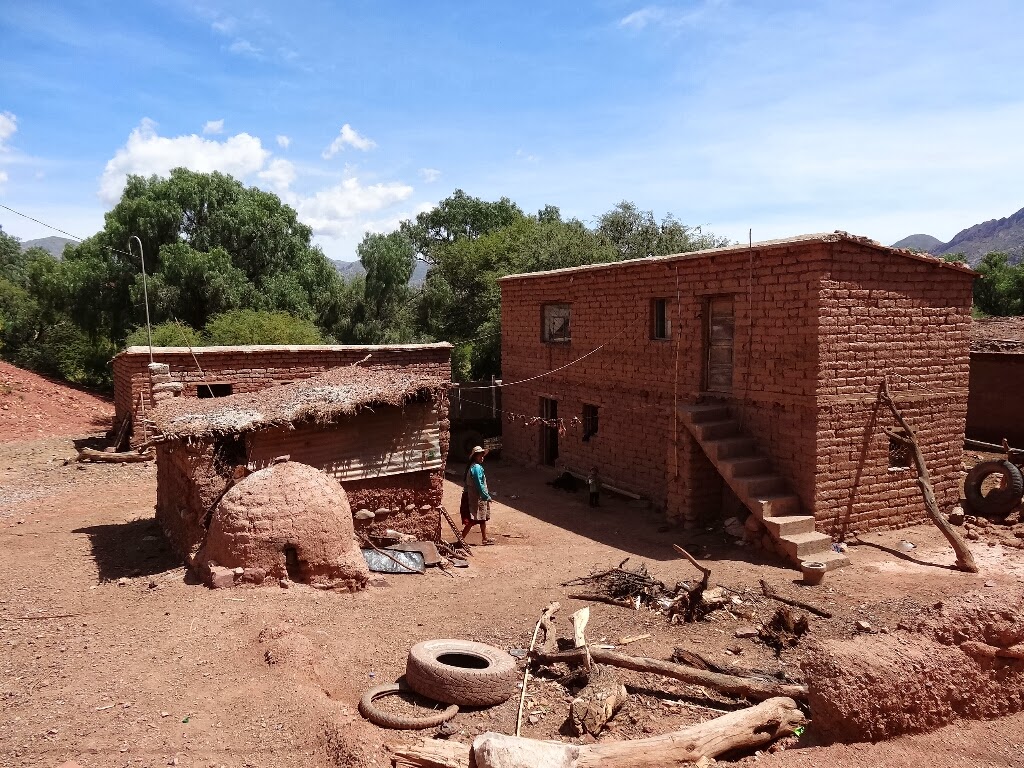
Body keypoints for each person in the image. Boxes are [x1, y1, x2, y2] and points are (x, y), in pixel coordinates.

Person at [461, 445, 495, 545]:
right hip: (474, 497)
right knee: (472, 519)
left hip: (476, 496)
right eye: (480, 456)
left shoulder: (473, 466)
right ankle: (461, 540)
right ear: (475, 456)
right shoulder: (476, 468)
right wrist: (486, 496)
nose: (482, 457)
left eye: (483, 455)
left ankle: (484, 538)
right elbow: (479, 484)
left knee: (482, 517)